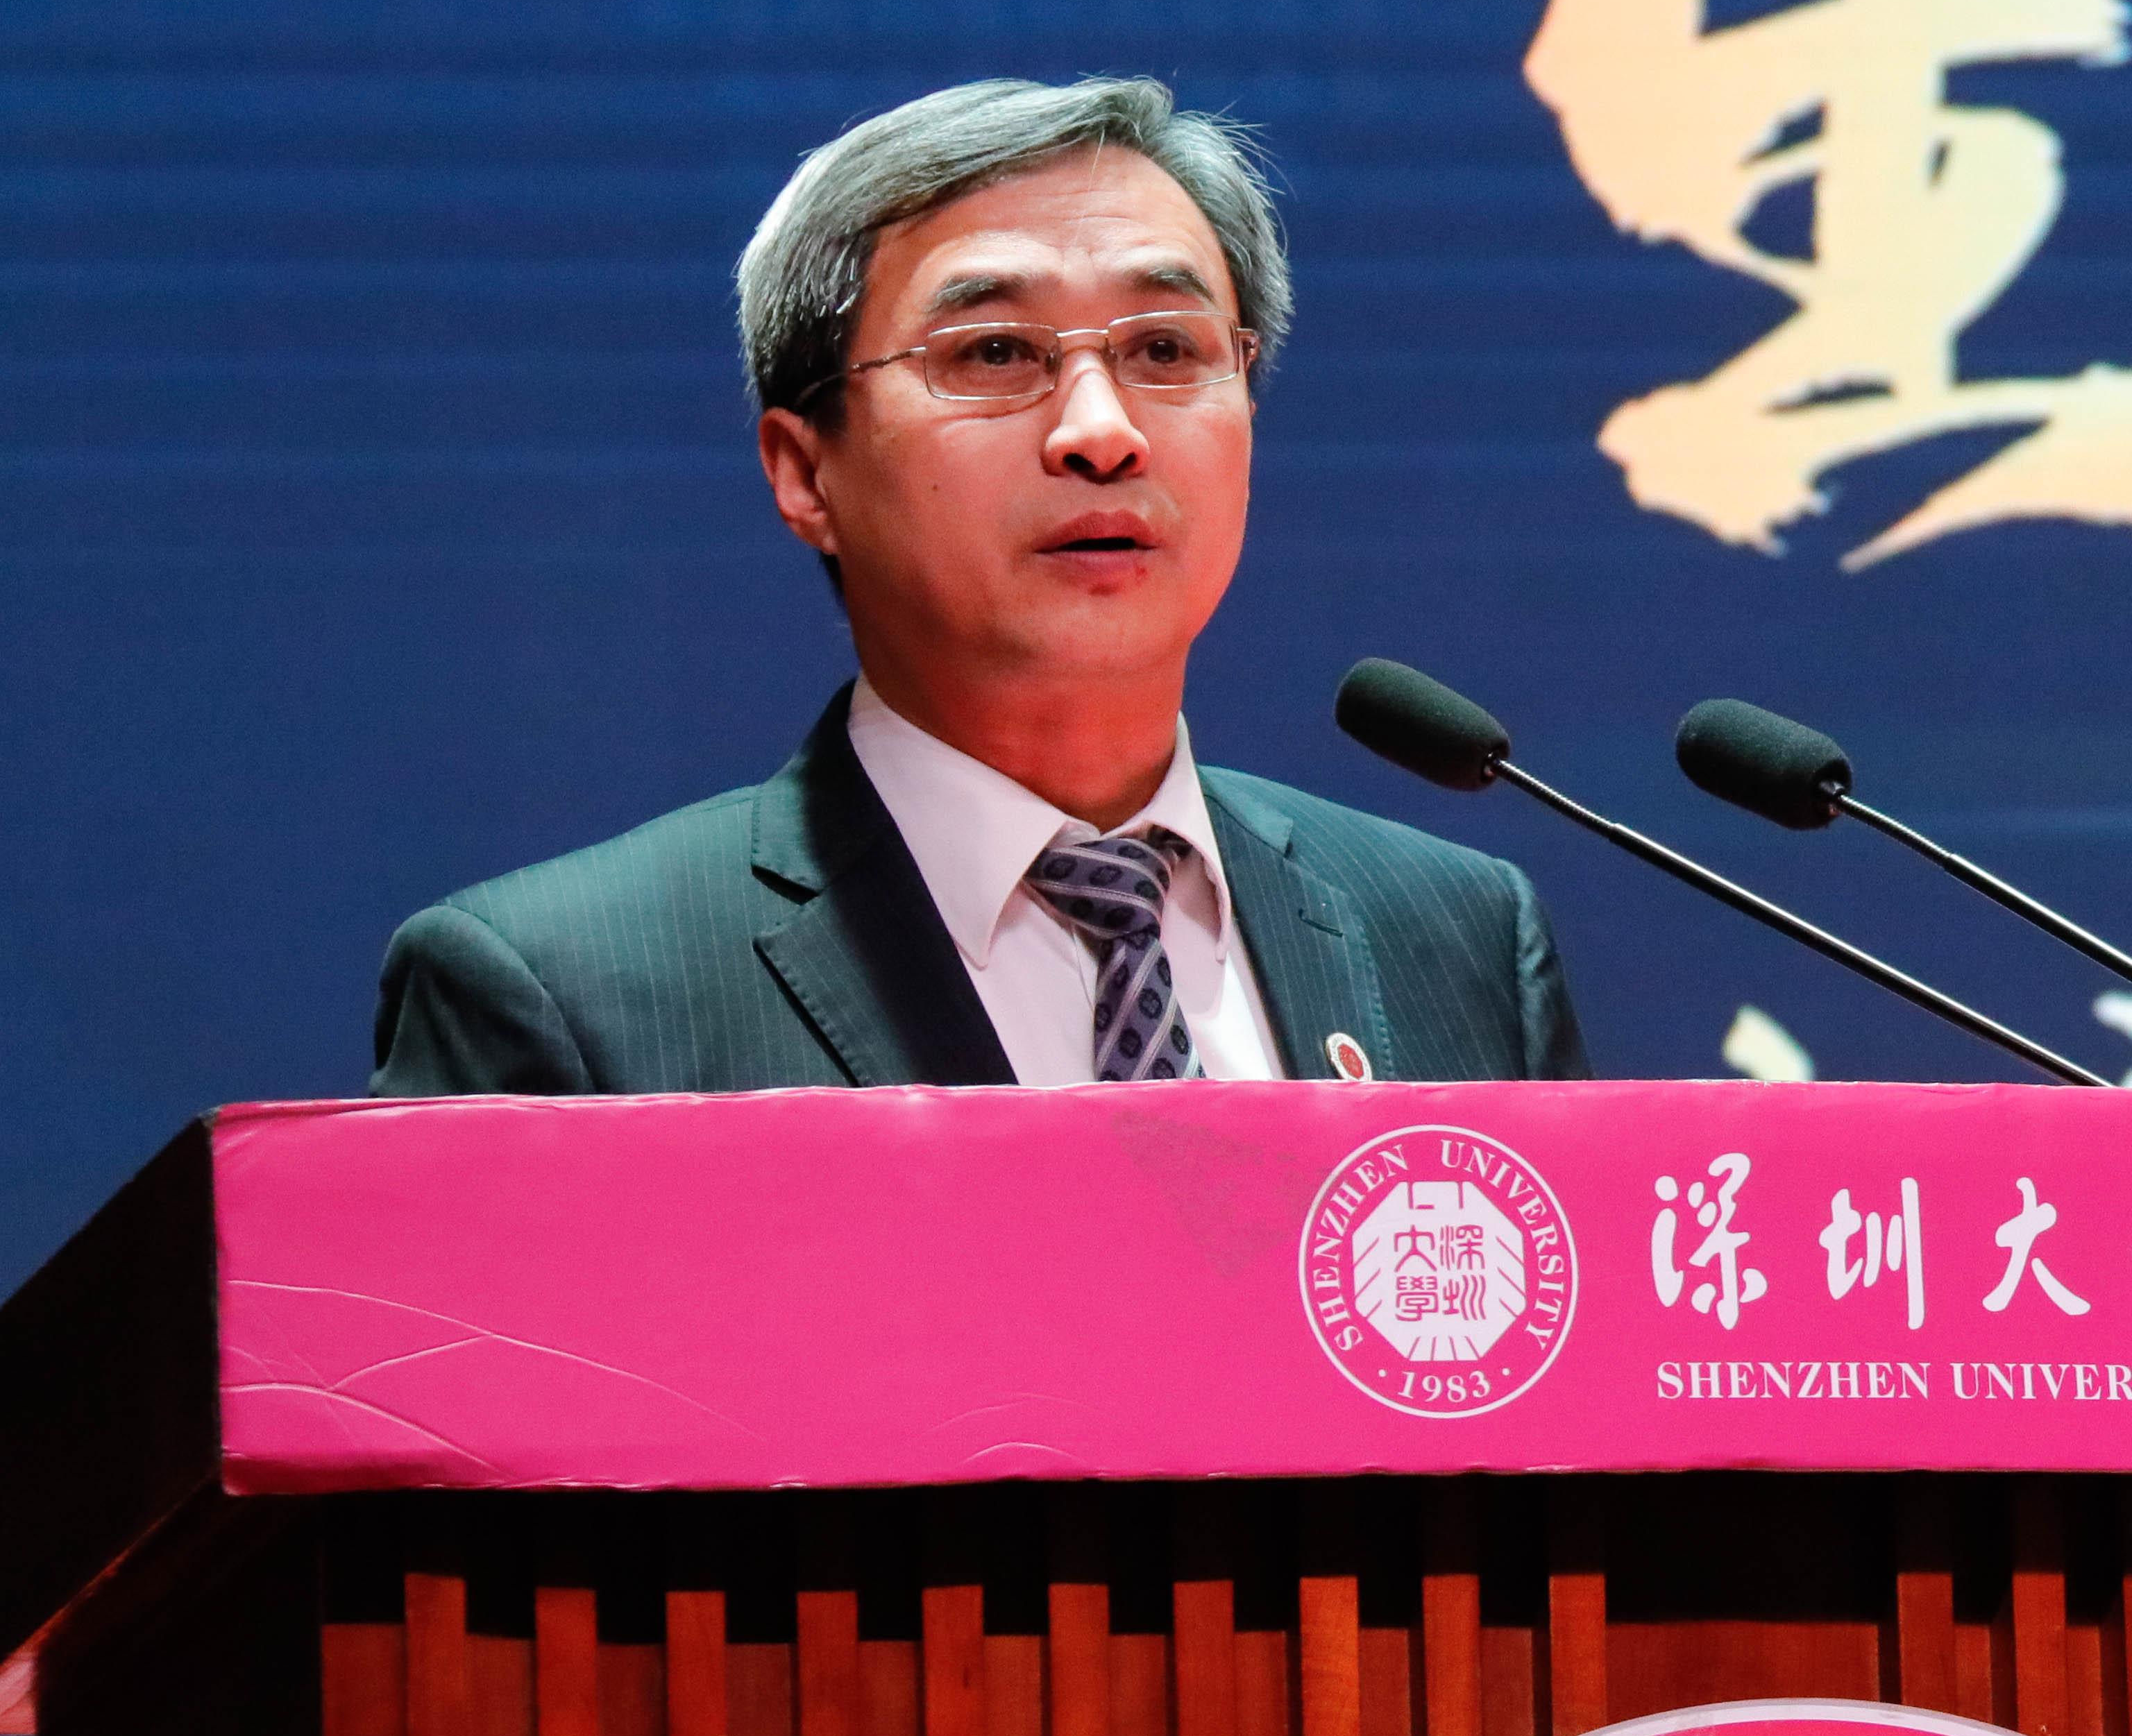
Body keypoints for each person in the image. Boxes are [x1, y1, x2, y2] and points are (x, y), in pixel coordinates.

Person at [370, 78, 1584, 1093]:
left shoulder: (1459, 938)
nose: (1102, 433)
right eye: (995, 353)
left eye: (1167, 349)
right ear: (805, 470)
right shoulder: (560, 996)